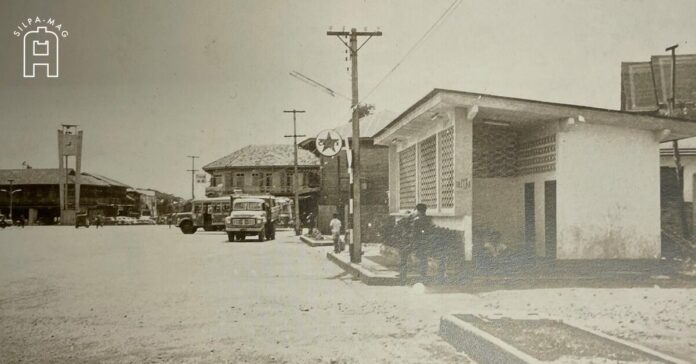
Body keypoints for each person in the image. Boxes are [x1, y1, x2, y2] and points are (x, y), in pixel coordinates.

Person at [412, 203, 432, 280]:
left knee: (421, 258)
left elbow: (415, 233)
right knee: (424, 258)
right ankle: (423, 274)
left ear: (418, 211)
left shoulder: (417, 220)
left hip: (419, 241)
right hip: (426, 241)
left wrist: (414, 243)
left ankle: (422, 275)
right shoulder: (428, 219)